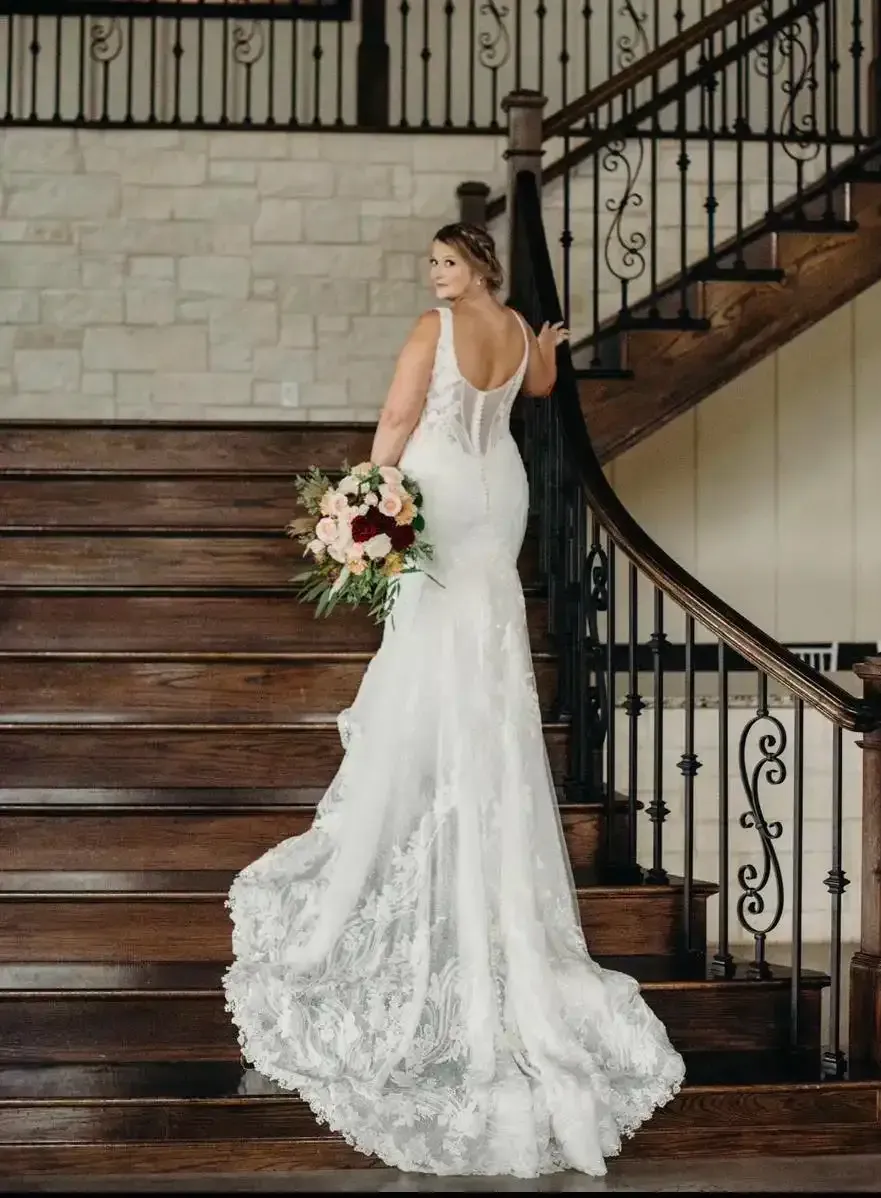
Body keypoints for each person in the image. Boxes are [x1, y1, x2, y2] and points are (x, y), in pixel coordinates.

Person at [223, 222, 685, 1179]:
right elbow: (540, 393)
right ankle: (469, 789)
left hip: (438, 491)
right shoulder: (516, 329)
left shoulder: (432, 331)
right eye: (430, 266)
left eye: (444, 262)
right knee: (486, 647)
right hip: (497, 496)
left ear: (476, 265)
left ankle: (424, 793)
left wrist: (361, 501)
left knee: (430, 650)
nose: (432, 276)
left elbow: (396, 426)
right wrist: (548, 351)